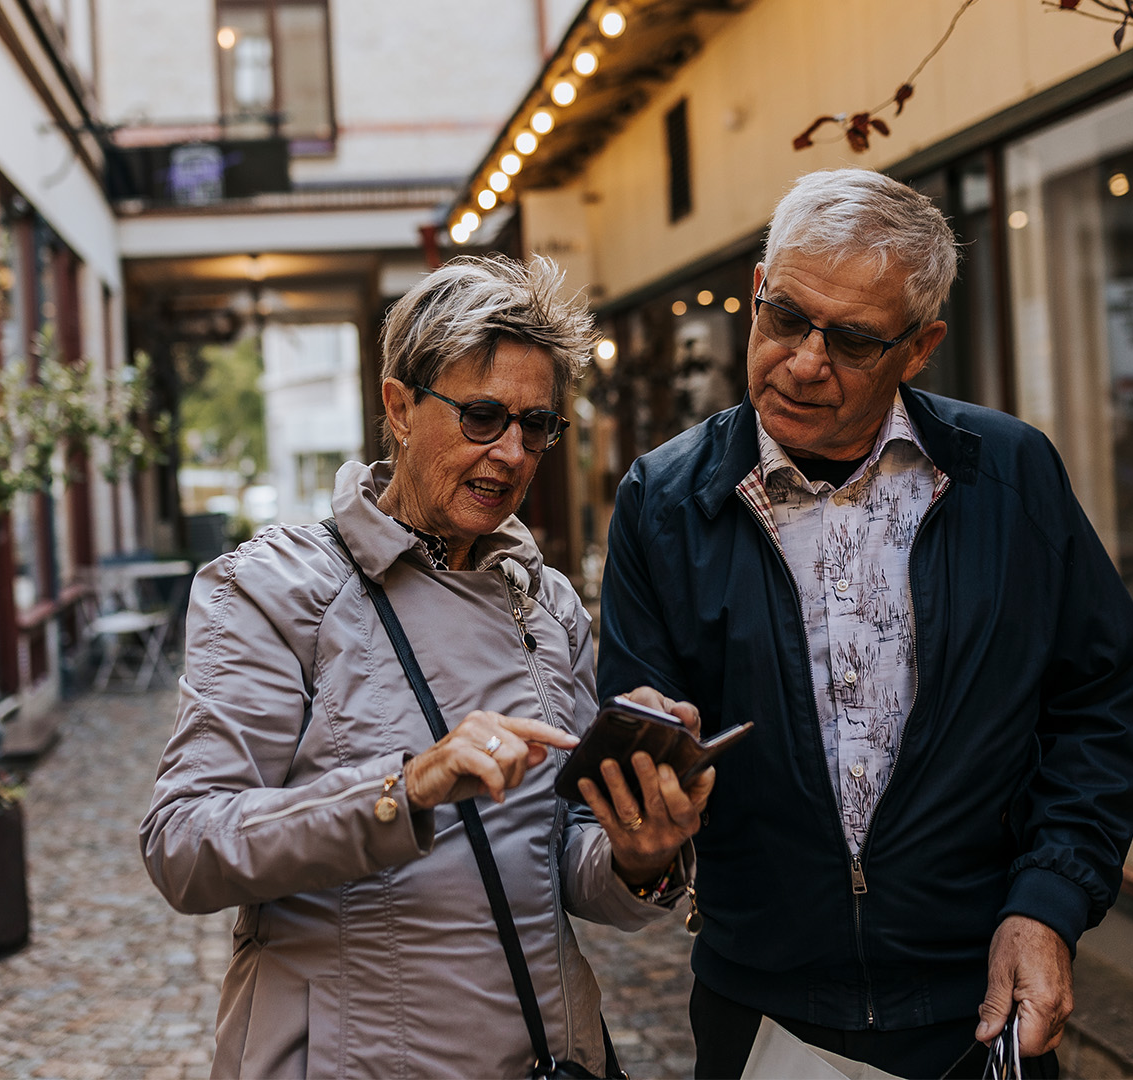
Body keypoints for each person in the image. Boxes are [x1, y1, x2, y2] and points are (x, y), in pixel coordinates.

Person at [598, 169, 1133, 1079]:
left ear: (921, 345)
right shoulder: (662, 503)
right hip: (759, 1007)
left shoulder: (1009, 476)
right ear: (756, 292)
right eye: (784, 318)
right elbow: (639, 755)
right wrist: (649, 843)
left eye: (853, 340)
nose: (804, 361)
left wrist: (1049, 902)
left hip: (977, 1005)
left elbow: (1102, 700)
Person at [141, 254, 713, 1079]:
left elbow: (563, 864)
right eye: (482, 416)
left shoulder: (545, 601)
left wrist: (639, 851)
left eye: (536, 426)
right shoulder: (272, 589)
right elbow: (184, 845)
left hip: (544, 1051)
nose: (512, 452)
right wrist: (404, 788)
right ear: (400, 407)